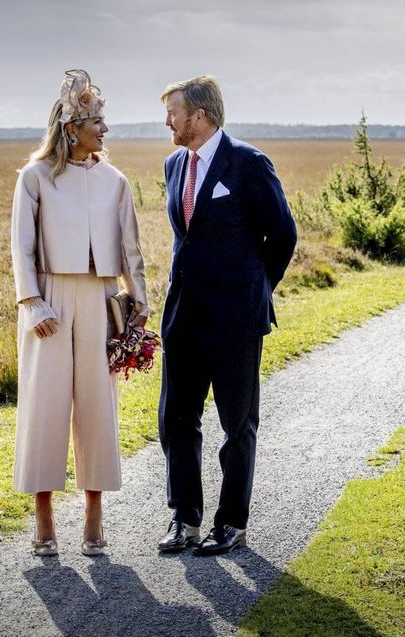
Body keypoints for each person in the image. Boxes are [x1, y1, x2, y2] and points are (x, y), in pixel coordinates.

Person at [156, 75, 297, 556]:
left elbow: (282, 236)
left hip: (235, 319)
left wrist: (253, 291)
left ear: (199, 115)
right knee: (176, 420)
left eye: (173, 112)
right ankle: (184, 520)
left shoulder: (249, 164)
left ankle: (231, 524)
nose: (167, 122)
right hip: (183, 316)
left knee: (237, 424)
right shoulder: (175, 164)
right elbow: (185, 237)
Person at [11, 69, 148, 557]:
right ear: (72, 127)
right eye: (97, 121)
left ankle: (94, 515)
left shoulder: (116, 181)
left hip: (101, 300)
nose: (105, 129)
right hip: (47, 300)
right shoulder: (34, 178)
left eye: (104, 119)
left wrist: (141, 306)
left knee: (98, 407)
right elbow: (21, 249)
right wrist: (32, 303)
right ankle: (43, 516)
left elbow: (132, 251)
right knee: (44, 408)